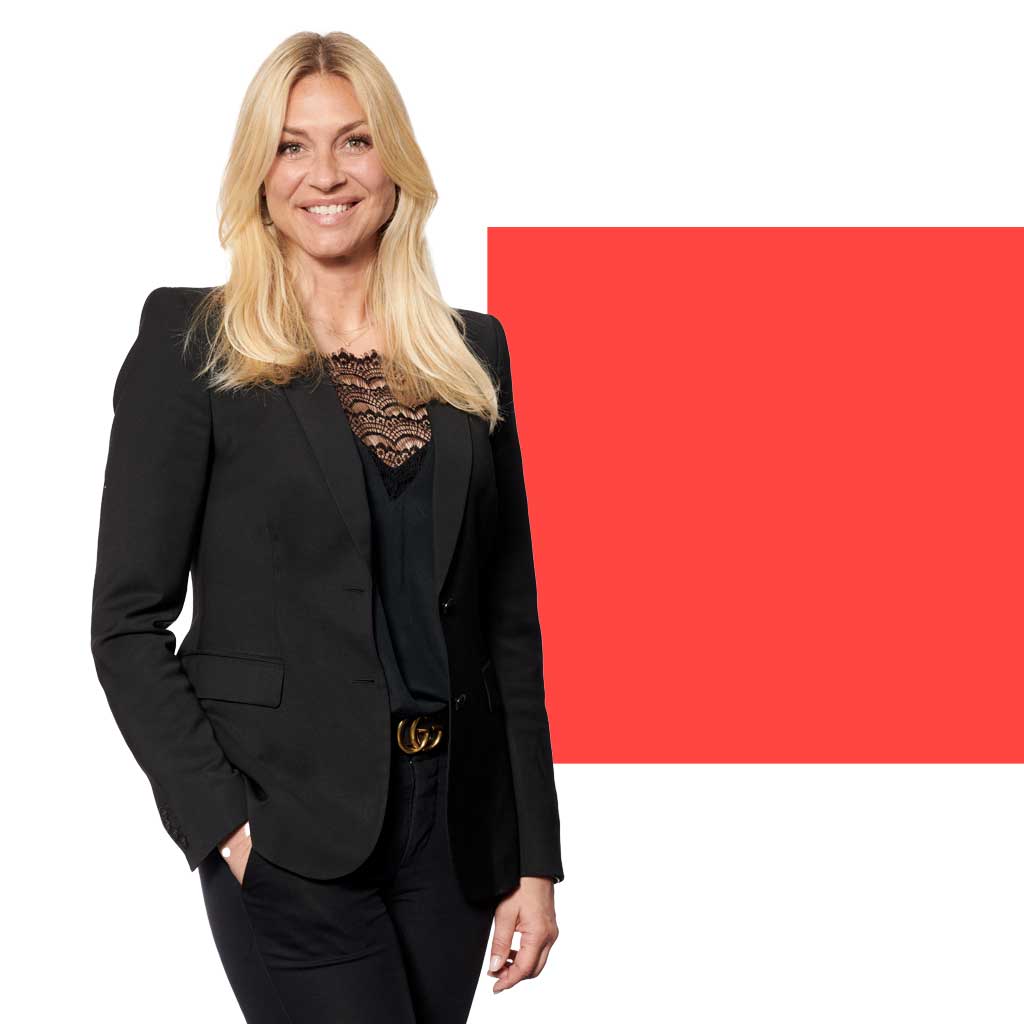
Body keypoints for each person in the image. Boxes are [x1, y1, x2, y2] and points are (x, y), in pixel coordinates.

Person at [90, 30, 563, 1024]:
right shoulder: (193, 346)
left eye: (354, 140)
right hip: (288, 828)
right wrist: (222, 822)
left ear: (395, 161)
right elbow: (127, 623)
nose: (326, 174)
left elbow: (506, 623)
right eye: (291, 146)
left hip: (452, 831)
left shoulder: (472, 352)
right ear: (258, 174)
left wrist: (533, 856)